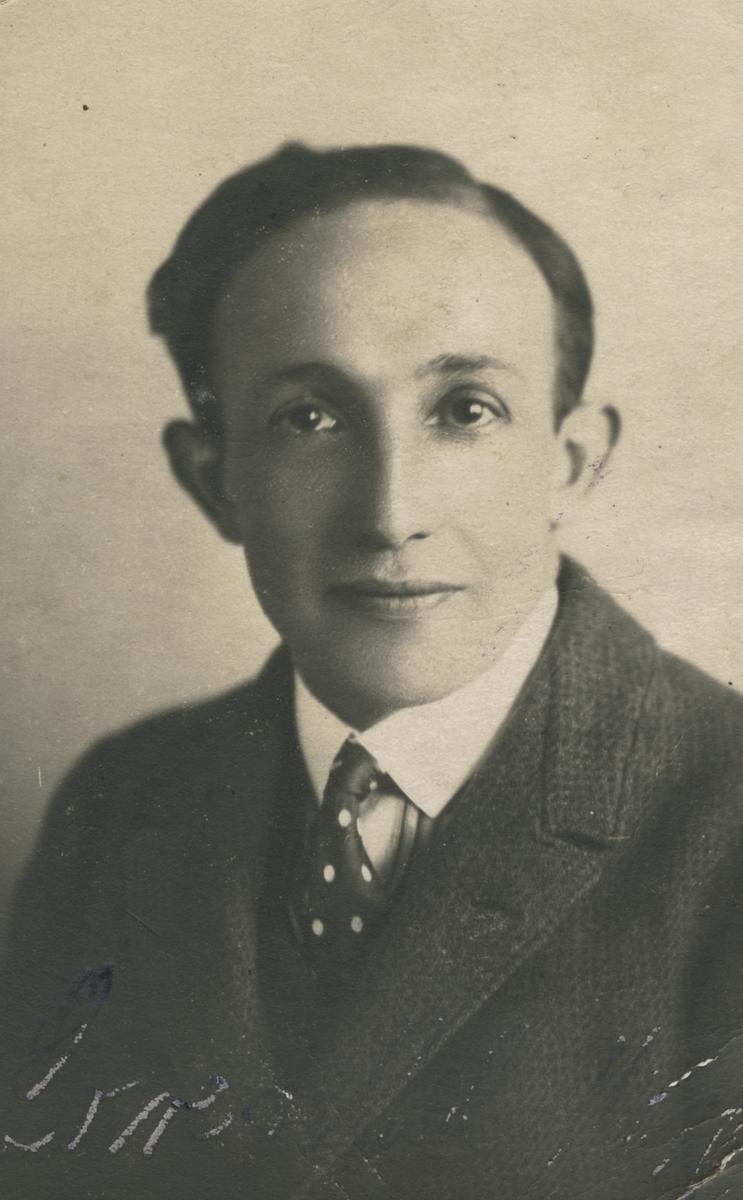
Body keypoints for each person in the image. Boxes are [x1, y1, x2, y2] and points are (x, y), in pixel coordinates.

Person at [2, 142, 742, 1200]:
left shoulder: (723, 817)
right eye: (309, 418)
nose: (391, 513)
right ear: (214, 480)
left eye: (465, 409)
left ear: (569, 463)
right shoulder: (120, 804)